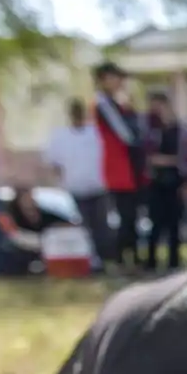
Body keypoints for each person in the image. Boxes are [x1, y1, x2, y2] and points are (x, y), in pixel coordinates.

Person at [42, 98, 110, 266]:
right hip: (75, 188)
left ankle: (105, 258)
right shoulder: (60, 136)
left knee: (101, 226)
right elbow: (54, 163)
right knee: (82, 227)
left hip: (98, 187)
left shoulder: (95, 133)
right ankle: (88, 260)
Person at [91, 62, 145, 268]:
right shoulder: (104, 104)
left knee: (132, 217)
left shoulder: (118, 104)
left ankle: (131, 257)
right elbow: (127, 135)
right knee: (125, 216)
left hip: (129, 170)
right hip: (119, 170)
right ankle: (123, 258)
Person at [140, 91, 187, 271]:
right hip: (155, 182)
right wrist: (166, 160)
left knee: (175, 224)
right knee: (155, 223)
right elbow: (147, 157)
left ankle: (174, 261)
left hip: (176, 181)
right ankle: (151, 262)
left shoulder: (181, 131)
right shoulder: (149, 131)